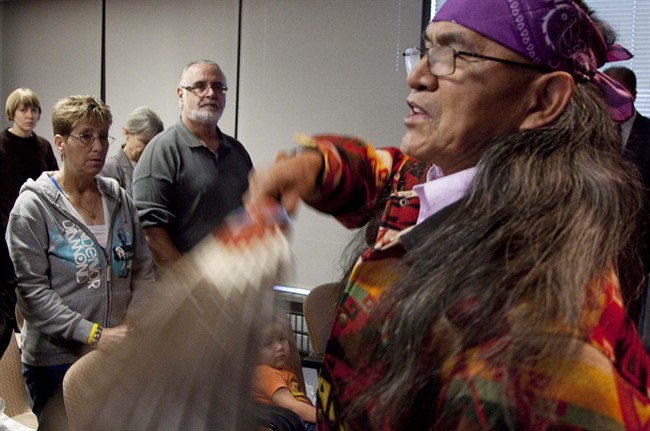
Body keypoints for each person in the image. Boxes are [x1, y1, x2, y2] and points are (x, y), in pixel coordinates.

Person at [246, 0, 650, 428]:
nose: (416, 75)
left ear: (544, 99)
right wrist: (317, 167)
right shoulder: (445, 169)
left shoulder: (540, 343)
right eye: (425, 51)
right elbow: (382, 171)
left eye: (453, 56)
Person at [5, 95, 155, 426]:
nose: (98, 146)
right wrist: (96, 334)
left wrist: (132, 323)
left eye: (103, 136)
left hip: (117, 353)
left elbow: (143, 271)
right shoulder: (34, 207)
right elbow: (32, 294)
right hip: (55, 360)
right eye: (85, 136)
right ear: (59, 142)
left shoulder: (120, 199)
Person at [132, 59, 253, 268]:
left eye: (218, 87)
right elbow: (151, 231)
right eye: (199, 86)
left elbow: (251, 211)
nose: (211, 93)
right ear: (181, 95)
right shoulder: (161, 151)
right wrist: (190, 285)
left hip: (233, 284)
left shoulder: (237, 152)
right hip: (183, 292)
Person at [604, 66, 650, 349]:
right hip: (596, 242)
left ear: (631, 94)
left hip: (639, 246)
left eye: (615, 92)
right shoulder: (589, 133)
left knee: (630, 319)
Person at [1, 88, 59, 233]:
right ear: (12, 112)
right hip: (6, 224)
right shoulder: (1, 145)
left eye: (34, 110)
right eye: (23, 110)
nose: (30, 116)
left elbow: (54, 184)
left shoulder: (43, 146)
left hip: (38, 224)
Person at [251, 310, 316, 431]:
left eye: (282, 339)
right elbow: (292, 408)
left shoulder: (283, 369)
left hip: (300, 422)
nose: (279, 347)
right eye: (268, 343)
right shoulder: (264, 374)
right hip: (293, 425)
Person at [100, 106, 163, 196]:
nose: (150, 149)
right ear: (127, 133)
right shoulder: (109, 169)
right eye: (145, 142)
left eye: (154, 144)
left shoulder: (160, 168)